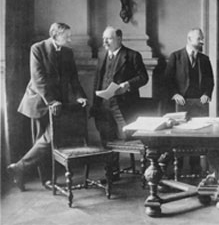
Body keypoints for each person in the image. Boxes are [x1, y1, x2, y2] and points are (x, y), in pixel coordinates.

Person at [8, 22, 88, 191]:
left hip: (57, 104)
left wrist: (80, 96)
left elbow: (74, 79)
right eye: (66, 36)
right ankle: (44, 179)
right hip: (39, 102)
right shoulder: (37, 48)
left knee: (51, 139)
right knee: (41, 140)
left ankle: (20, 168)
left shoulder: (68, 52)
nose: (70, 39)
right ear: (54, 36)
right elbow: (38, 79)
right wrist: (51, 101)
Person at [91, 26, 148, 179]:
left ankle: (146, 173)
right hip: (103, 105)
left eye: (108, 38)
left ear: (119, 39)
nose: (104, 42)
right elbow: (98, 81)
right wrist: (95, 104)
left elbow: (143, 77)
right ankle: (111, 172)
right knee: (106, 138)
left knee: (128, 137)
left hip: (123, 105)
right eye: (104, 38)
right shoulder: (103, 56)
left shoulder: (132, 55)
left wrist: (128, 84)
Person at [165, 28, 214, 174]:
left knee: (198, 134)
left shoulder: (204, 59)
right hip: (181, 102)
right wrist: (174, 94)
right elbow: (167, 79)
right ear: (189, 39)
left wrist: (207, 94)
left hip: (199, 103)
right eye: (199, 38)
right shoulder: (176, 56)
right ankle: (178, 166)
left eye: (202, 38)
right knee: (180, 133)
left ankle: (195, 166)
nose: (202, 41)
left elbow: (210, 81)